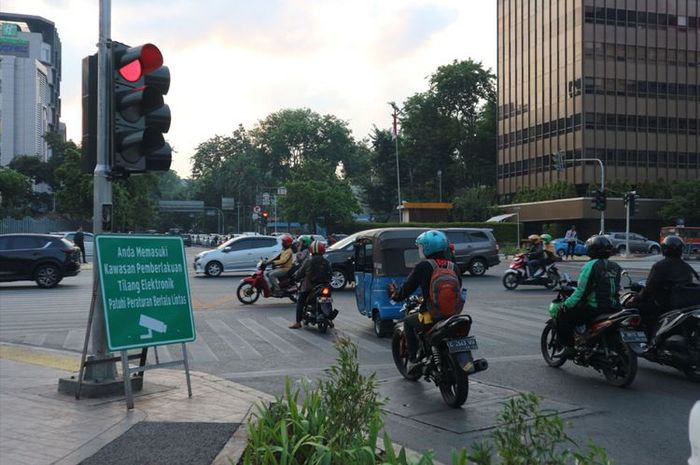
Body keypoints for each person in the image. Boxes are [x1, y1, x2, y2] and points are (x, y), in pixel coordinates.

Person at [388, 230, 462, 372]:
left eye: (421, 247)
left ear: (427, 248)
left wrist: (396, 295)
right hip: (453, 314)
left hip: (432, 314)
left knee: (409, 322)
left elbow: (407, 289)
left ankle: (413, 359)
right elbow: (458, 287)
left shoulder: (424, 266)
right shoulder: (453, 266)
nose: (419, 250)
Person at [556, 235, 622, 351]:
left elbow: (581, 291)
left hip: (595, 308)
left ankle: (569, 347)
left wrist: (566, 304)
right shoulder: (616, 266)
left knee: (563, 315)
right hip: (615, 307)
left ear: (592, 250)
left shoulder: (591, 265)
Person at [625, 235, 698, 332]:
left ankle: (645, 336)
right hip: (684, 306)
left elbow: (649, 290)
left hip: (663, 305)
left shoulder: (659, 266)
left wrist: (635, 298)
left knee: (631, 307)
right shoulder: (687, 267)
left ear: (664, 249)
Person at [290, 240, 332, 329]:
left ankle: (298, 322)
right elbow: (330, 274)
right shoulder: (326, 261)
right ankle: (330, 320)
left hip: (309, 287)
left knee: (300, 301)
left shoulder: (308, 261)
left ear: (311, 250)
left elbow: (300, 273)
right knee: (327, 299)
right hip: (324, 286)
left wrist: (295, 277)